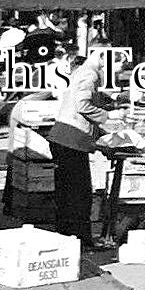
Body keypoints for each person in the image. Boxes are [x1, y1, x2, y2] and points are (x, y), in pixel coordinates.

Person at [46, 54, 122, 246]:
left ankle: (67, 237)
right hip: (71, 139)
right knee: (79, 194)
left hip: (65, 137)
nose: (117, 70)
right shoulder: (90, 74)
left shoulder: (83, 71)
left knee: (68, 193)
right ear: (104, 59)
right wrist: (109, 115)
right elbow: (82, 105)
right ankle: (80, 239)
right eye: (117, 64)